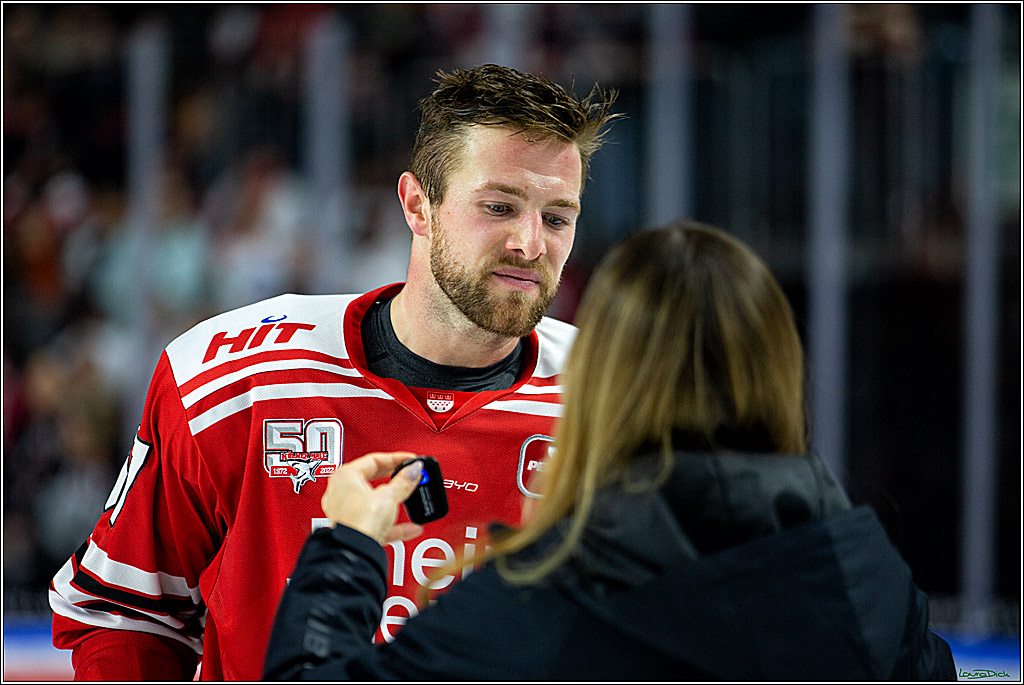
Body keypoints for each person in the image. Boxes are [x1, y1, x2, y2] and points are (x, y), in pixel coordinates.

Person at [49, 64, 621, 680]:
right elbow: (125, 615)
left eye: (557, 218)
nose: (531, 244)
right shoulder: (234, 379)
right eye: (499, 206)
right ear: (417, 205)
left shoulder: (610, 405)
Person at [262, 222, 958, 681]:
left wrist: (349, 545)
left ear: (604, 375)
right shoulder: (876, 585)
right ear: (779, 369)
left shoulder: (548, 593)